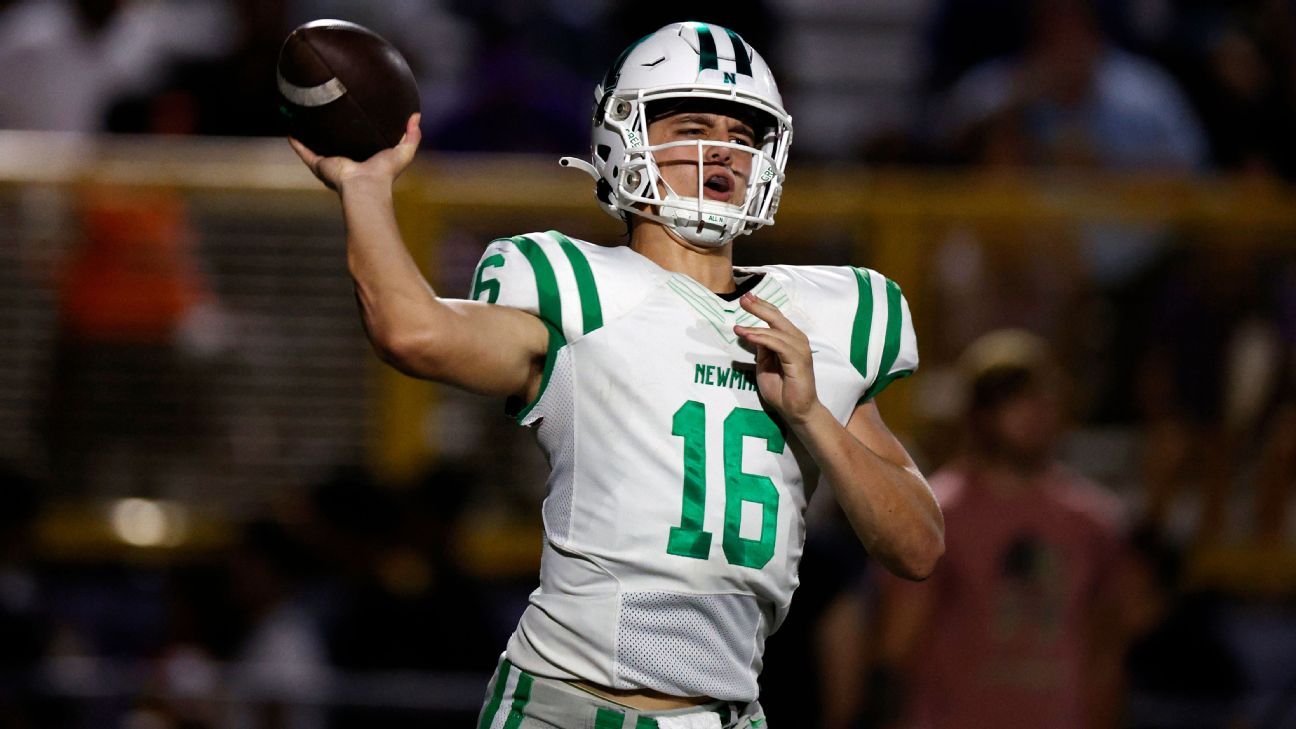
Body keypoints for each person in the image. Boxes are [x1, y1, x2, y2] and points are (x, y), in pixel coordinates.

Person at [290, 21, 944, 728]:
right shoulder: (581, 289)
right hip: (568, 706)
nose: (723, 149)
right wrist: (364, 188)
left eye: (743, 133)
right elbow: (411, 332)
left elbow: (918, 546)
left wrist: (815, 414)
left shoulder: (824, 317)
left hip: (723, 714)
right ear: (624, 137)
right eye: (693, 124)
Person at [867, 330, 1139, 729]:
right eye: (1009, 397)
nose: (1030, 412)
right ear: (977, 411)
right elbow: (896, 648)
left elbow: (1106, 648)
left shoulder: (1092, 522)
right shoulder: (935, 516)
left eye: (1040, 396)